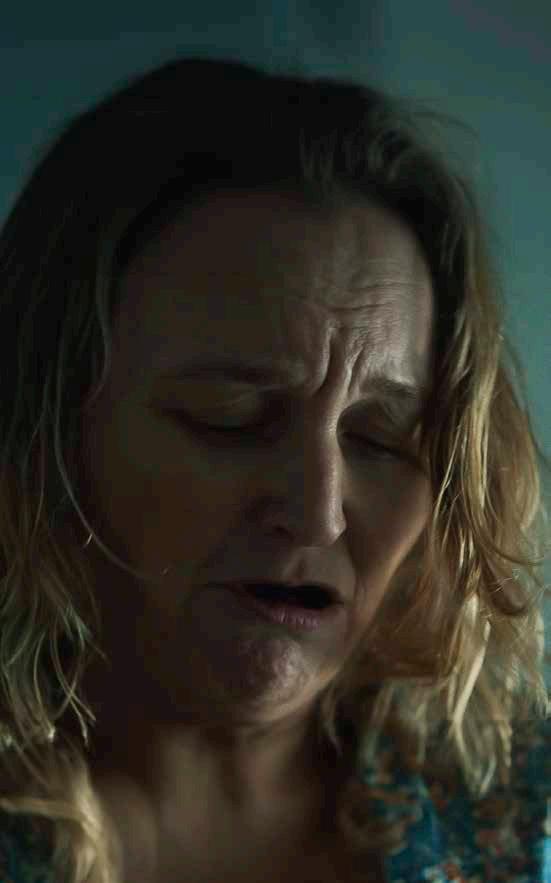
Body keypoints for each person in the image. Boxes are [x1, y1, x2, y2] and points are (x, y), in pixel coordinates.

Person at [0, 55, 548, 883]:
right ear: (50, 433)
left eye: (378, 437)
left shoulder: (522, 814)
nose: (318, 509)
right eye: (229, 416)